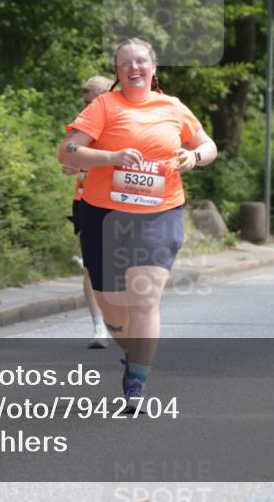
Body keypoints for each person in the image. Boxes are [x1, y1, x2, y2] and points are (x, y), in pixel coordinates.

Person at [57, 38, 217, 410]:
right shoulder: (103, 106)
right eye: (125, 63)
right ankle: (133, 352)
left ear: (153, 67)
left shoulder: (172, 107)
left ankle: (136, 383)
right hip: (104, 214)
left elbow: (208, 146)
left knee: (145, 297)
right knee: (111, 305)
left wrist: (192, 156)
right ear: (117, 71)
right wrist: (112, 156)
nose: (134, 68)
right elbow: (67, 151)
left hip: (159, 212)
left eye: (141, 61)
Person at [63, 75, 115, 349]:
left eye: (92, 102)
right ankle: (99, 327)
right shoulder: (80, 127)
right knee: (90, 266)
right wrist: (71, 166)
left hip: (119, 202)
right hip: (85, 200)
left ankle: (121, 318)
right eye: (84, 103)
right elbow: (68, 161)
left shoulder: (120, 124)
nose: (87, 108)